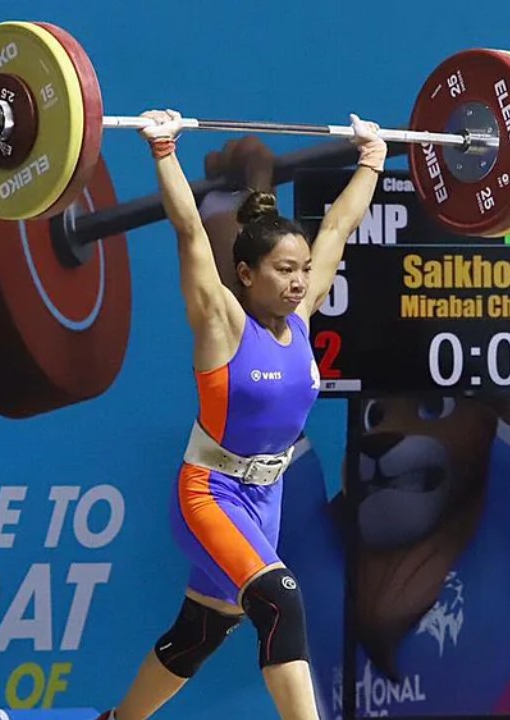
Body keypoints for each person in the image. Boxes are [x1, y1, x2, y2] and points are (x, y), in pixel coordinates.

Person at [95, 110, 387, 720]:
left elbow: (338, 226)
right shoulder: (222, 323)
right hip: (210, 492)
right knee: (281, 601)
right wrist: (164, 149)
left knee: (204, 629)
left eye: (304, 271)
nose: (300, 283)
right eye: (285, 271)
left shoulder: (301, 321)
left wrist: (373, 159)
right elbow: (189, 235)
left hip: (266, 497)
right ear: (246, 274)